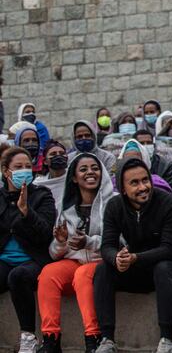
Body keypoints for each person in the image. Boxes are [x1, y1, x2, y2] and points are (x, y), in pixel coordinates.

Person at [93, 158, 172, 353]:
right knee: (102, 269)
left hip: (163, 267)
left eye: (145, 180)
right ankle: (107, 339)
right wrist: (116, 258)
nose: (143, 187)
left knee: (163, 267)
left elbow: (170, 248)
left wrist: (135, 258)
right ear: (123, 189)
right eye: (134, 183)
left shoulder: (169, 203)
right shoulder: (115, 206)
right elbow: (107, 245)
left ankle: (167, 340)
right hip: (134, 268)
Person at [37, 152, 115, 353]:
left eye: (95, 168)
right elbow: (55, 253)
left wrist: (88, 242)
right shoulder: (65, 208)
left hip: (102, 262)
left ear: (102, 172)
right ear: (73, 177)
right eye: (83, 169)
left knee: (83, 275)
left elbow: (120, 241)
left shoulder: (114, 203)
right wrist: (61, 241)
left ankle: (93, 338)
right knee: (48, 273)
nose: (90, 173)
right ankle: (50, 339)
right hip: (75, 261)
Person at [0, 147, 57, 353]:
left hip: (34, 259)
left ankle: (28, 337)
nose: (25, 170)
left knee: (18, 276)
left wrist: (26, 212)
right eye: (18, 167)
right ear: (6, 172)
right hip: (4, 258)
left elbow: (45, 234)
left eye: (28, 166)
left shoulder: (42, 195)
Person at [34, 141, 70, 214]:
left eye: (62, 153)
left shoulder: (74, 178)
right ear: (45, 161)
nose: (58, 156)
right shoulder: (38, 184)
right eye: (53, 154)